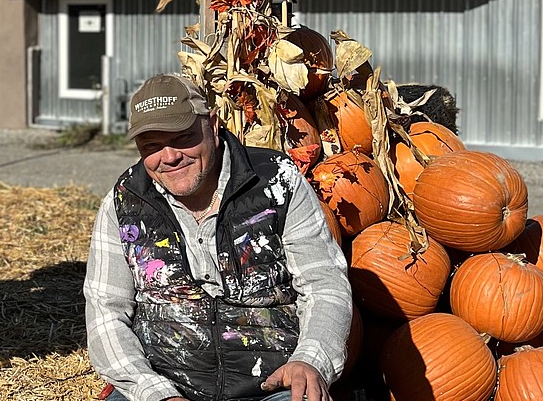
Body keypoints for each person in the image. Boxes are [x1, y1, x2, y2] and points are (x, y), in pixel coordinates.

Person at [84, 73, 351, 401]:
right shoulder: (124, 202)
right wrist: (152, 391)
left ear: (212, 124)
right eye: (152, 146)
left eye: (182, 138)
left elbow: (324, 286)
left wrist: (310, 360)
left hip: (271, 385)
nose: (169, 157)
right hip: (162, 384)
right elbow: (106, 309)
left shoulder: (278, 184)